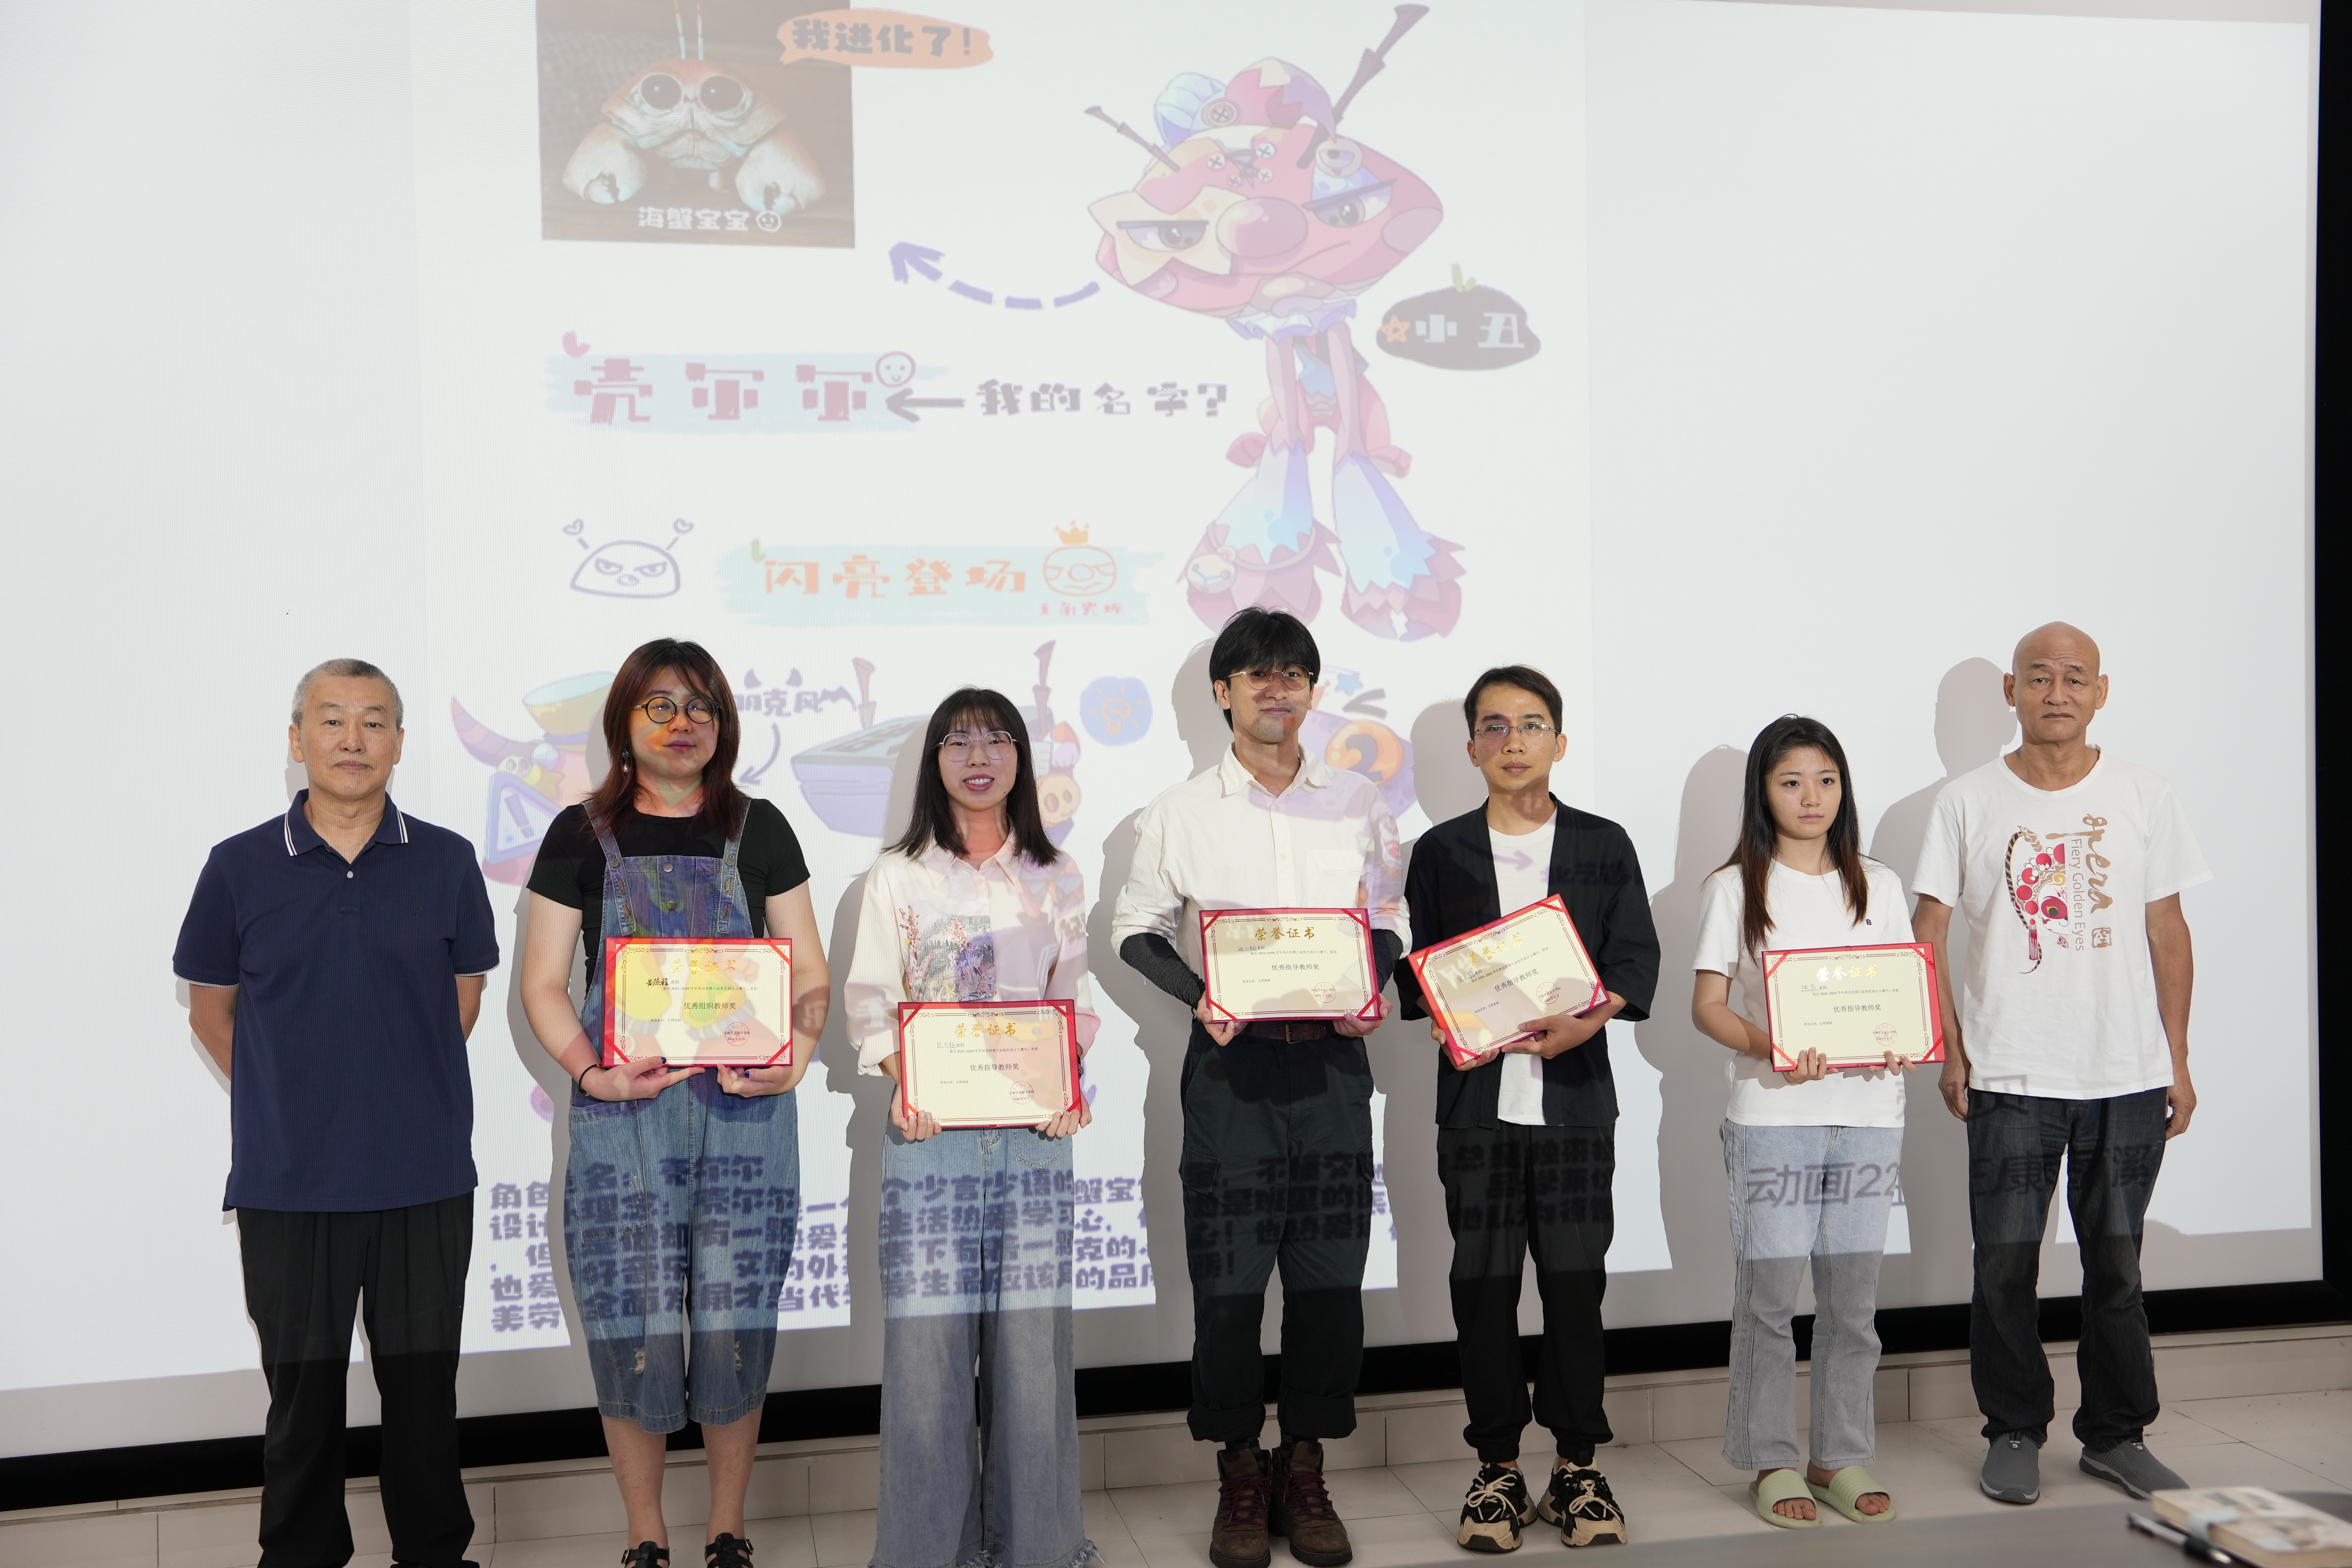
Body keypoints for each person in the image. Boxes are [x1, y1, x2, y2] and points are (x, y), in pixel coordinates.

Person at [175, 659, 499, 1568]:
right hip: (291, 1183)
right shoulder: (237, 866)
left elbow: (463, 997)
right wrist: (293, 1096)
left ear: (398, 743)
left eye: (374, 722)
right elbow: (210, 1012)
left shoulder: (446, 860)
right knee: (304, 1406)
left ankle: (434, 1556)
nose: (353, 740)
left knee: (424, 1402)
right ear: (298, 739)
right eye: (332, 720)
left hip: (424, 1178)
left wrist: (396, 1086)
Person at [518, 639, 831, 1568]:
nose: (682, 723)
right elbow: (541, 984)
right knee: (632, 1318)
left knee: (737, 1321)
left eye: (701, 707)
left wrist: (796, 1058)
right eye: (660, 705)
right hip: (624, 1119)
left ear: (723, 726)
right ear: (624, 722)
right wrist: (592, 1074)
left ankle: (727, 1527)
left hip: (746, 1114)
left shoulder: (761, 829)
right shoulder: (578, 835)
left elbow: (809, 973)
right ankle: (644, 1534)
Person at [1111, 608, 1404, 1568]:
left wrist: (1371, 982)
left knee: (1329, 1283)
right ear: (1224, 692)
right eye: (1258, 674)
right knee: (1229, 1286)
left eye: (1295, 674)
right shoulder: (1180, 810)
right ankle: (1240, 1469)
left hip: (1331, 1068)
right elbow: (1135, 928)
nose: (1279, 689)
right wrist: (1201, 996)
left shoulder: (1359, 801)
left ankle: (1305, 1466)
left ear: (1313, 691)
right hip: (1231, 1070)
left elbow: (1389, 916)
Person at [1913, 623, 2209, 1506]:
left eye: (2075, 677)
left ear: (2100, 692)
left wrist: (2178, 1057)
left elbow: (2168, 929)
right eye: (2039, 677)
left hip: (2126, 1073)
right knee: (2004, 1267)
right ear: (2012, 692)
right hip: (2010, 1074)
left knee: (2116, 1268)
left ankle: (2116, 1435)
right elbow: (1928, 933)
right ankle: (2013, 1429)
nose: (2057, 692)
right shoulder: (1966, 800)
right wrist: (1950, 1046)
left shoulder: (2145, 794)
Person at [1393, 666, 1658, 1552]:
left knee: (1577, 1287)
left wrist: (1589, 1021)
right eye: (1495, 726)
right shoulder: (1441, 852)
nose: (1514, 741)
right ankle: (1498, 1468)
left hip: (1576, 1104)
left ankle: (1579, 1464)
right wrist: (1448, 1009)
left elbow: (1635, 959)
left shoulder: (1603, 843)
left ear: (1561, 742)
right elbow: (1418, 968)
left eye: (1532, 724)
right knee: (1483, 1288)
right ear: (1472, 746)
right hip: (1478, 1106)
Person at [844, 688, 1100, 1568]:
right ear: (935, 763)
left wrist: (1069, 1084)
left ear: (1022, 758)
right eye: (959, 742)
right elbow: (872, 1002)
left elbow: (1072, 1000)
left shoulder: (1056, 873)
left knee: (1032, 1357)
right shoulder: (897, 875)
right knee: (927, 1363)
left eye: (997, 740)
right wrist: (903, 1079)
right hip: (930, 1139)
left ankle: (1039, 1547)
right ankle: (926, 1553)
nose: (979, 756)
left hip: (1034, 1141)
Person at [1689, 716, 1912, 1529]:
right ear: (1763, 792)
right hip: (1773, 1116)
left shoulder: (1879, 883)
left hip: (1869, 1116)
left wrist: (1903, 1036)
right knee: (1772, 1300)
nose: (1811, 796)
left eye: (1826, 779)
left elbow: (1903, 991)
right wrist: (1772, 1045)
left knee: (1854, 1303)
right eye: (1790, 781)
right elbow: (1708, 1006)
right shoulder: (1734, 886)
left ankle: (1840, 1455)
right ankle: (1772, 1458)